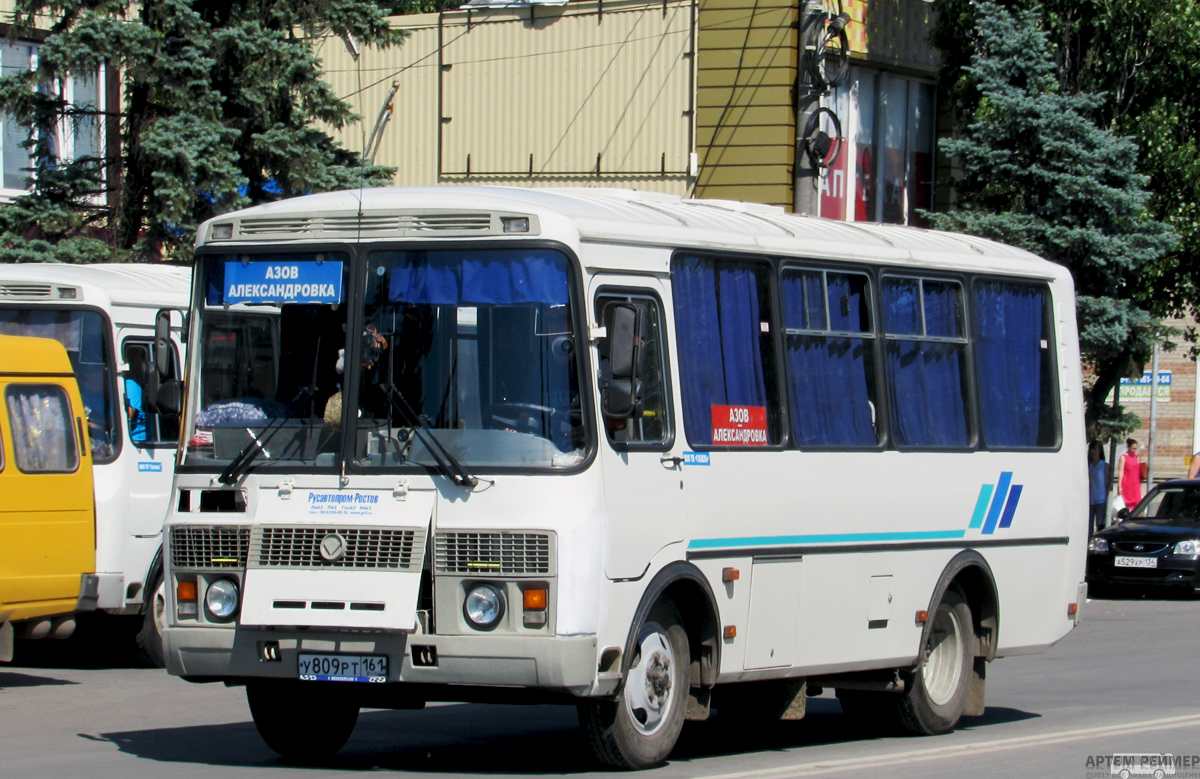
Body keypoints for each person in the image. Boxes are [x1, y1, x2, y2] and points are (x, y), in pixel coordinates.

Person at [1087, 441, 1108, 535]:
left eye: (1095, 449)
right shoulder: (1088, 465)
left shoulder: (1104, 465)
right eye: (1092, 449)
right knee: (1089, 525)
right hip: (1090, 499)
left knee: (1100, 524)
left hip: (1100, 499)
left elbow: (1107, 483)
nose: (1093, 452)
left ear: (1100, 451)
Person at [1118, 438, 1143, 514]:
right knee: (1128, 506)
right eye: (1133, 449)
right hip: (1127, 485)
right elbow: (1121, 471)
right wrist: (1119, 486)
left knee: (1138, 505)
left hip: (1136, 485)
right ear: (1129, 448)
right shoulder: (1124, 457)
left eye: (1136, 449)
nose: (1134, 450)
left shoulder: (1137, 457)